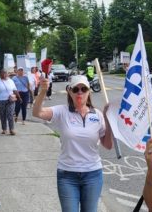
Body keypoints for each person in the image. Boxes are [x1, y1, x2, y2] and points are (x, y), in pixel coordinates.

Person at [32, 75, 114, 212]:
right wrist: (43, 91)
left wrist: (108, 120)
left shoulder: (98, 115)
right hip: (67, 175)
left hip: (92, 174)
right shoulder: (62, 112)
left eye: (84, 89)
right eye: (76, 89)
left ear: (89, 91)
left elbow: (108, 145)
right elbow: (37, 112)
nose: (80, 92)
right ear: (70, 91)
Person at [0, 69, 21, 135]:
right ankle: (4, 129)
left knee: (10, 114)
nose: (4, 74)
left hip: (10, 100)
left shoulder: (11, 81)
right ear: (0, 74)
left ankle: (11, 129)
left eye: (6, 73)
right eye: (3, 73)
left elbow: (15, 90)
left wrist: (19, 97)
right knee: (2, 115)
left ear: (7, 74)